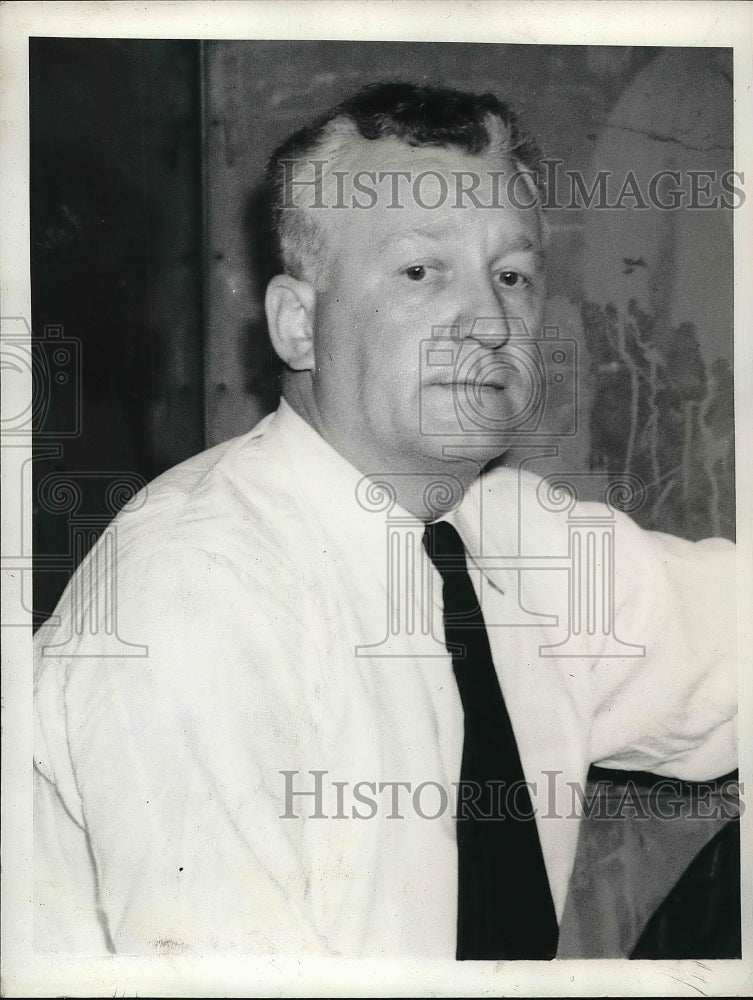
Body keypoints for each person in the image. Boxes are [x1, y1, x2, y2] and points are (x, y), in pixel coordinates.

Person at [33, 82, 737, 958]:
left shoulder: (513, 532)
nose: (488, 321)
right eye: (420, 271)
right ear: (298, 325)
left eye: (511, 276)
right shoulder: (193, 589)